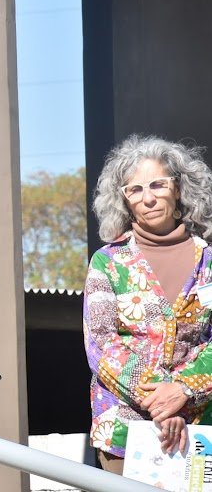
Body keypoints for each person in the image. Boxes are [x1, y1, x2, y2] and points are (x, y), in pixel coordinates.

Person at [84, 134, 212, 475]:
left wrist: (184, 392)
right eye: (135, 190)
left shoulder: (209, 262)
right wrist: (162, 402)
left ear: (179, 189)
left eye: (158, 184)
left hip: (199, 426)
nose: (148, 197)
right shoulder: (107, 262)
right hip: (124, 430)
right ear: (124, 200)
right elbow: (101, 342)